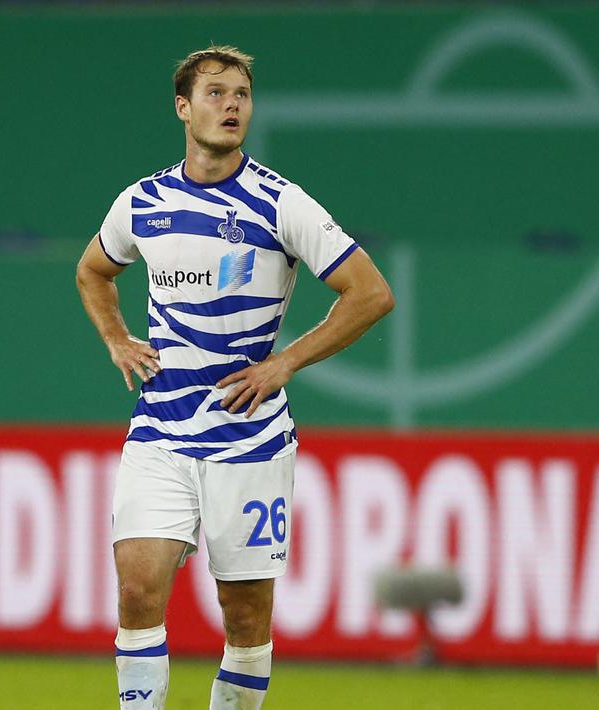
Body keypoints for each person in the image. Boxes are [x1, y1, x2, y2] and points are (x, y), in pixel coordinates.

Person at [76, 45, 394, 710]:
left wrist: (285, 361)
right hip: (161, 431)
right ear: (182, 107)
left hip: (249, 440)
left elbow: (369, 293)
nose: (231, 106)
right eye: (215, 93)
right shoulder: (143, 201)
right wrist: (115, 338)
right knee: (136, 590)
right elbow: (93, 270)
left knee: (245, 616)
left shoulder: (281, 202)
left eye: (241, 95)